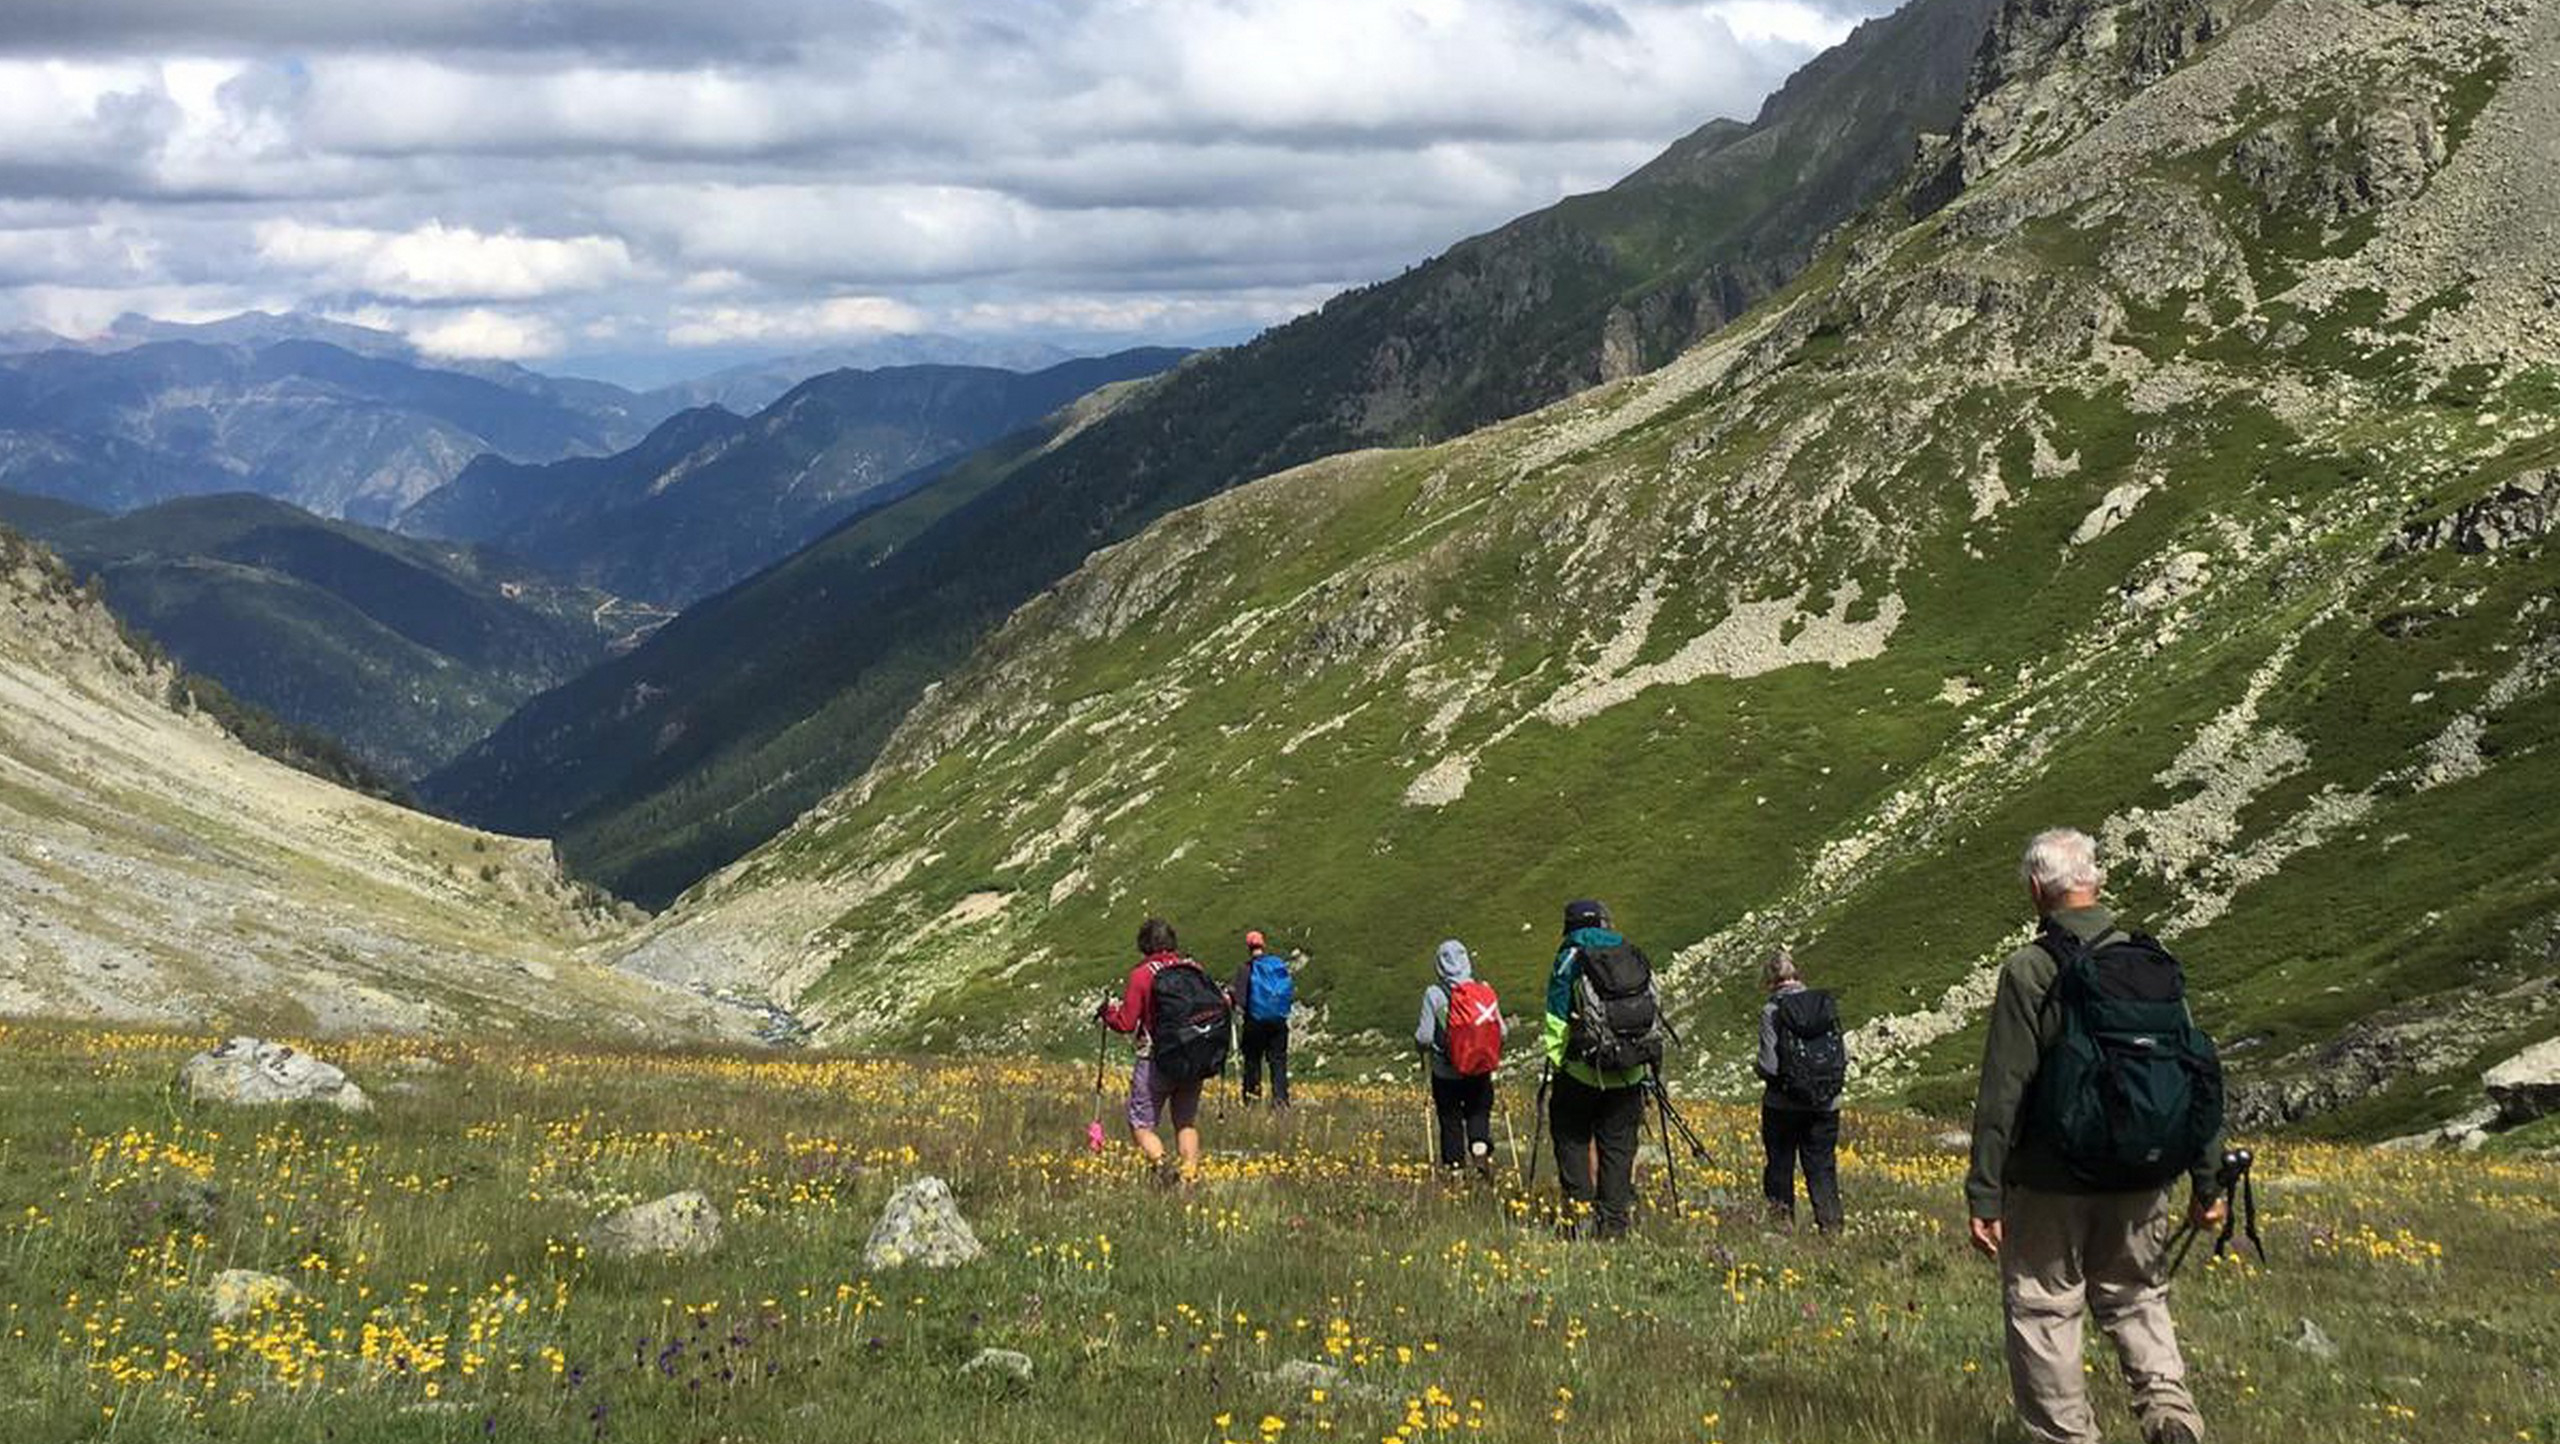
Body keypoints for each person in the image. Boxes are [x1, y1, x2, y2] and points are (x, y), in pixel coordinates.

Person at [1967, 828, 2226, 1444]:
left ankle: (2067, 1436)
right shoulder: (2150, 962)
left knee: (2044, 1307)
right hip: (2145, 1170)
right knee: (2138, 1296)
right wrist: (2208, 1178)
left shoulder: (2031, 969)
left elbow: (2004, 1087)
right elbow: (2195, 1070)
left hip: (2051, 1179)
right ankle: (2170, 1416)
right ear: (2098, 882)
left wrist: (1984, 1193)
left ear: (2036, 891)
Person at [1542, 899, 1661, 1239]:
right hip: (1631, 1070)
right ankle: (1614, 1227)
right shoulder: (1630, 953)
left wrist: (1558, 1060)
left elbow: (1556, 1016)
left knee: (1572, 1137)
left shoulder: (1569, 957)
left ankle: (1579, 1217)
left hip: (1582, 1071)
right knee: (1619, 1147)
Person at [1099, 917, 1221, 1183]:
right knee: (1185, 1123)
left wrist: (1107, 1014)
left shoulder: (1142, 975)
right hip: (1193, 1057)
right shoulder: (1193, 968)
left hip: (1155, 1059)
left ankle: (1162, 1166)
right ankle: (1188, 1178)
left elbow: (1126, 1022)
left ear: (1144, 945)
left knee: (1142, 1124)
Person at [1756, 948, 1846, 1231]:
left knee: (1780, 1165)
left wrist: (1756, 1068)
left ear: (1770, 981)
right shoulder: (1823, 1005)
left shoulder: (1772, 1011)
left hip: (1783, 1105)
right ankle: (1831, 1227)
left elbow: (1769, 1066)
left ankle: (1782, 1226)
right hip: (1826, 1104)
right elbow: (1842, 1053)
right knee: (1821, 1166)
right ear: (1798, 975)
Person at [1415, 939, 1507, 1176]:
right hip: (1479, 1067)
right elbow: (1502, 1031)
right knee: (1478, 1110)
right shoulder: (1483, 989)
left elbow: (1424, 1037)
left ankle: (1455, 1171)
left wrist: (1424, 1047)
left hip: (1445, 1071)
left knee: (1450, 1118)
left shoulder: (1434, 994)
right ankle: (1479, 1146)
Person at [1230, 929, 1294, 1108]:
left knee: (1252, 1061)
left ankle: (1252, 1101)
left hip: (1255, 1023)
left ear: (1248, 947)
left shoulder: (1246, 969)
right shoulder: (1276, 966)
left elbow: (1240, 1001)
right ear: (1263, 945)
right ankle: (1281, 1101)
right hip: (1278, 1022)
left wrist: (1232, 997)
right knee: (1278, 1061)